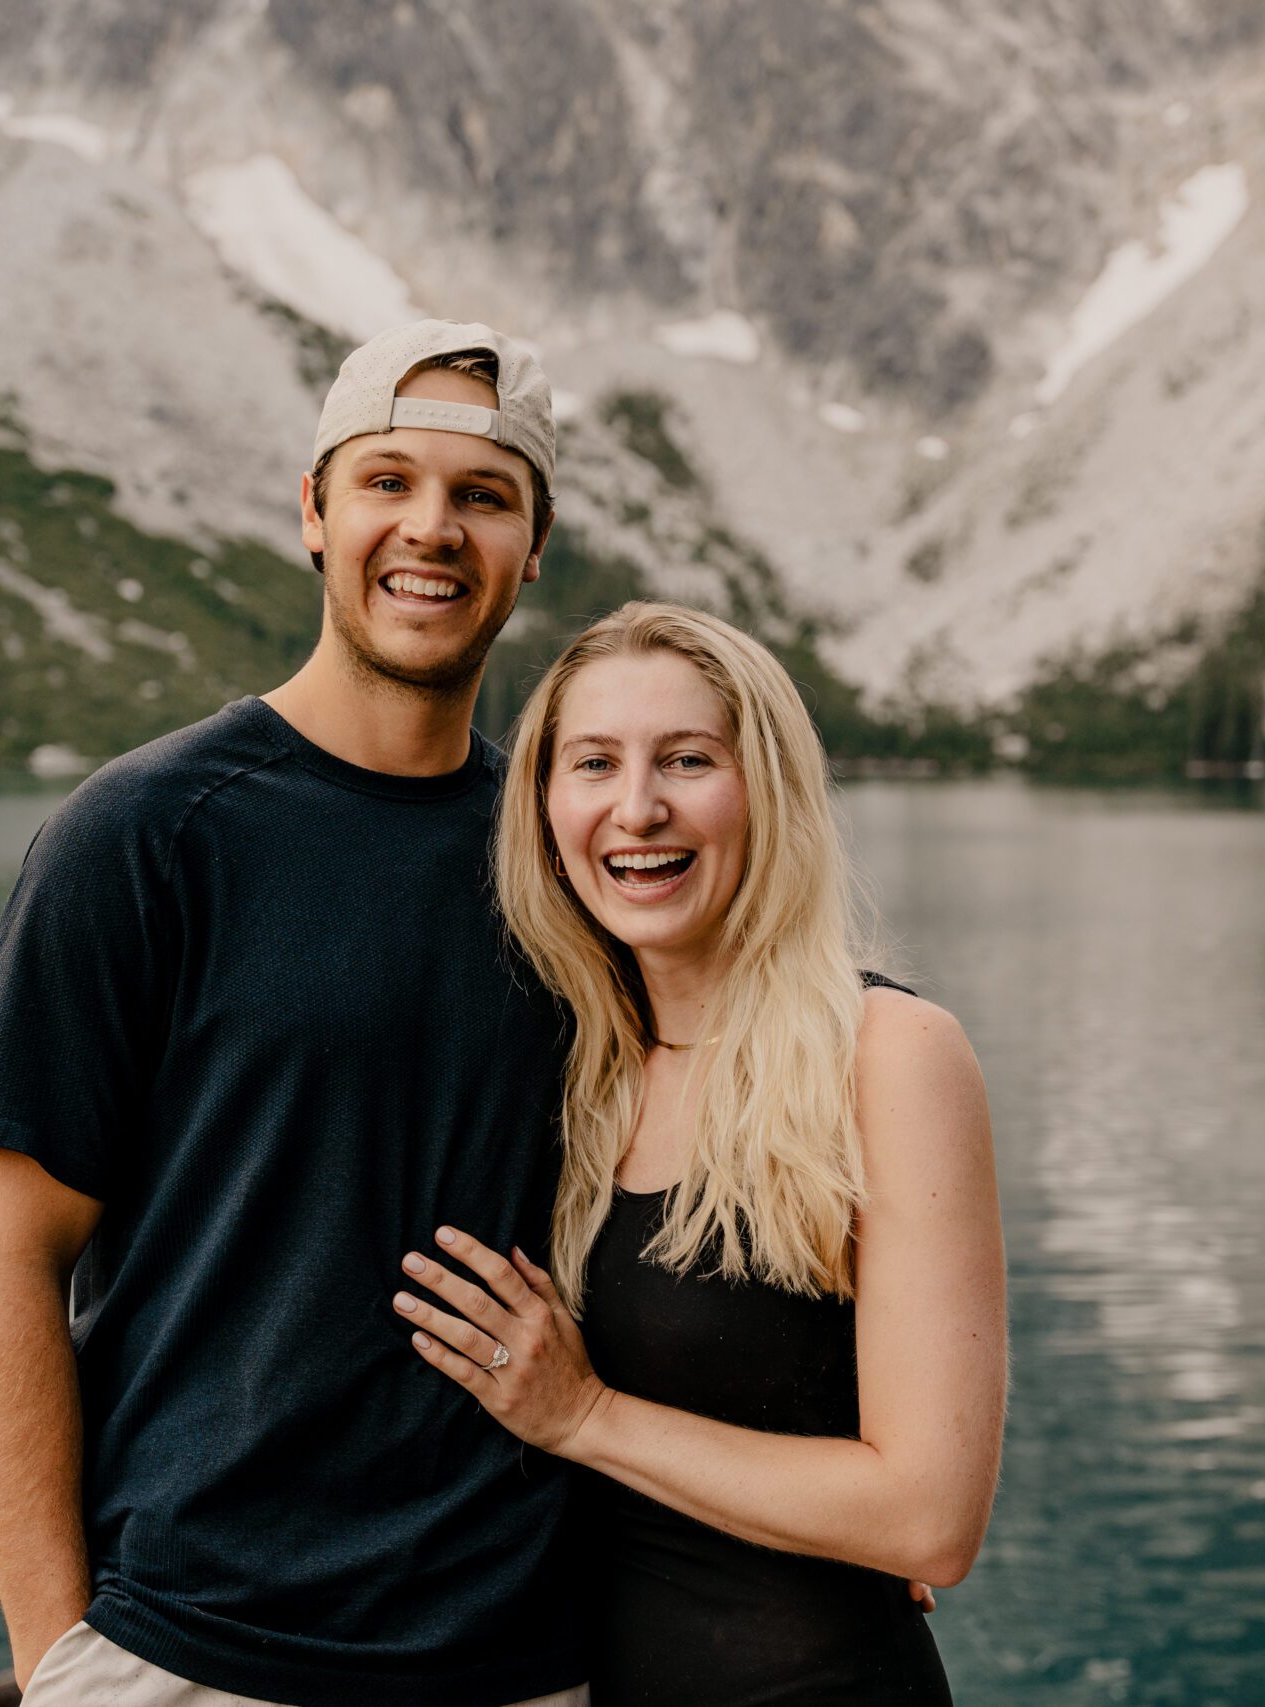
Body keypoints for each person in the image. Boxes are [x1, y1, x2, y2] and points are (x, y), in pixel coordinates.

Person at [0, 319, 592, 1707]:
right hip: (189, 1653)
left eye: (483, 495)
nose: (432, 529)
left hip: (519, 1660)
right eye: (387, 483)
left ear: (534, 547)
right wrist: (60, 1661)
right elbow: (4, 1262)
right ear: (312, 511)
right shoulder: (144, 832)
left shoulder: (566, 857)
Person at [390, 602, 1007, 1706]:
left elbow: (929, 1519)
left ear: (765, 789)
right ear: (542, 807)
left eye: (687, 759)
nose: (637, 808)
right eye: (593, 763)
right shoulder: (563, 1071)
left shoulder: (887, 1058)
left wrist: (587, 1418)